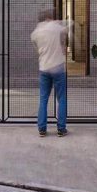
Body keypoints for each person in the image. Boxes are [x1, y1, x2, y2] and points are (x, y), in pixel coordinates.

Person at [30, 9, 68, 137]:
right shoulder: (56, 27)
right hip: (58, 67)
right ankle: (61, 129)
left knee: (43, 99)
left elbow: (37, 49)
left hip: (44, 68)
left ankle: (42, 129)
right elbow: (67, 29)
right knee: (61, 98)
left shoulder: (35, 33)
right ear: (49, 18)